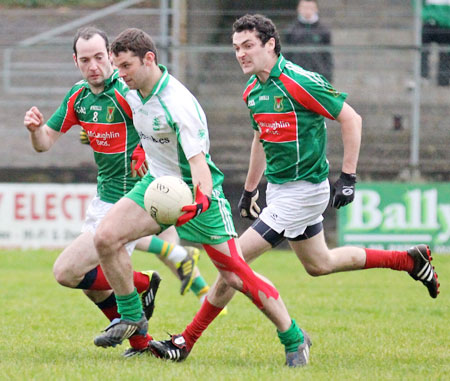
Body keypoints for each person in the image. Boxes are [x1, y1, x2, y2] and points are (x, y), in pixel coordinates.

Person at [149, 13, 440, 365]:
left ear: (270, 44)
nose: (241, 54)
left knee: (233, 265)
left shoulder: (299, 80)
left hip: (305, 192)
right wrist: (251, 189)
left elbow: (351, 118)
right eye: (236, 47)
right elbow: (260, 137)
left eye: (248, 46)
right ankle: (407, 259)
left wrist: (348, 177)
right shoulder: (252, 91)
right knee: (320, 263)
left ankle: (186, 341)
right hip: (279, 191)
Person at [92, 27, 310, 368]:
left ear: (149, 60)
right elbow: (139, 120)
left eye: (125, 67)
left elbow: (199, 163)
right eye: (117, 67)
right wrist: (139, 149)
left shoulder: (177, 104)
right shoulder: (131, 89)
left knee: (236, 276)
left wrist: (202, 200)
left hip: (195, 194)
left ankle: (293, 336)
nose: (120, 75)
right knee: (106, 237)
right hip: (156, 185)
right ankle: (133, 317)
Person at [23, 26, 203, 357]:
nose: (94, 66)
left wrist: (144, 155)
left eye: (100, 58)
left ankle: (141, 286)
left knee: (67, 271)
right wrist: (35, 131)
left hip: (134, 200)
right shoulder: (78, 96)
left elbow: (162, 125)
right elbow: (45, 142)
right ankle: (142, 341)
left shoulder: (129, 91)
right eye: (86, 59)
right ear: (75, 61)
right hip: (102, 199)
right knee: (91, 286)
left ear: (110, 55)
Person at [284, 0, 333, 82]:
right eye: (304, 7)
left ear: (316, 9)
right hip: (296, 76)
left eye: (310, 8)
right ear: (298, 9)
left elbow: (327, 56)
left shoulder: (324, 30)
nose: (307, 11)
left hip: (318, 76)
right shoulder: (291, 30)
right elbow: (287, 54)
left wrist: (328, 77)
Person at [420, 0, 450, 86]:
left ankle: (443, 79)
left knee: (445, 52)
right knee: (424, 50)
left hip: (445, 25)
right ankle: (423, 76)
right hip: (431, 22)